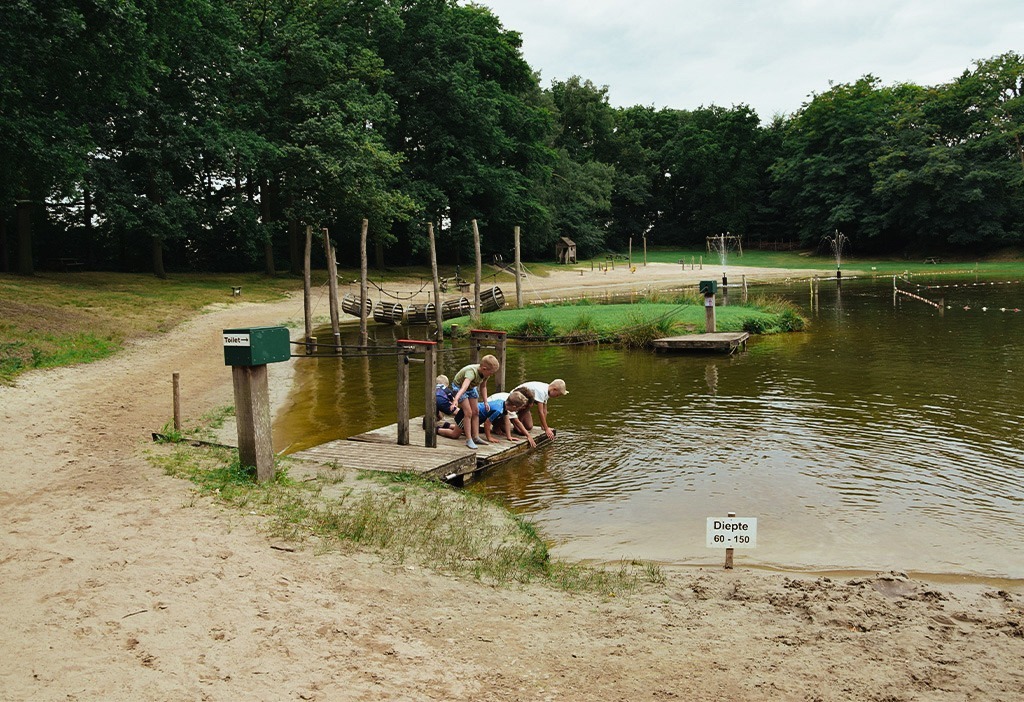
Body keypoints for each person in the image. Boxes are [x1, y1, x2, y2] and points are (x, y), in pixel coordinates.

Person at [449, 355, 499, 449]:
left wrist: (485, 402)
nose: (491, 375)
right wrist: (455, 400)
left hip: (471, 388)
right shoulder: (471, 372)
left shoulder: (485, 374)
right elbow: (463, 387)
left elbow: (483, 387)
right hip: (459, 387)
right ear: (484, 369)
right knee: (468, 413)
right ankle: (468, 439)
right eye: (491, 373)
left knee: (476, 412)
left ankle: (475, 437)